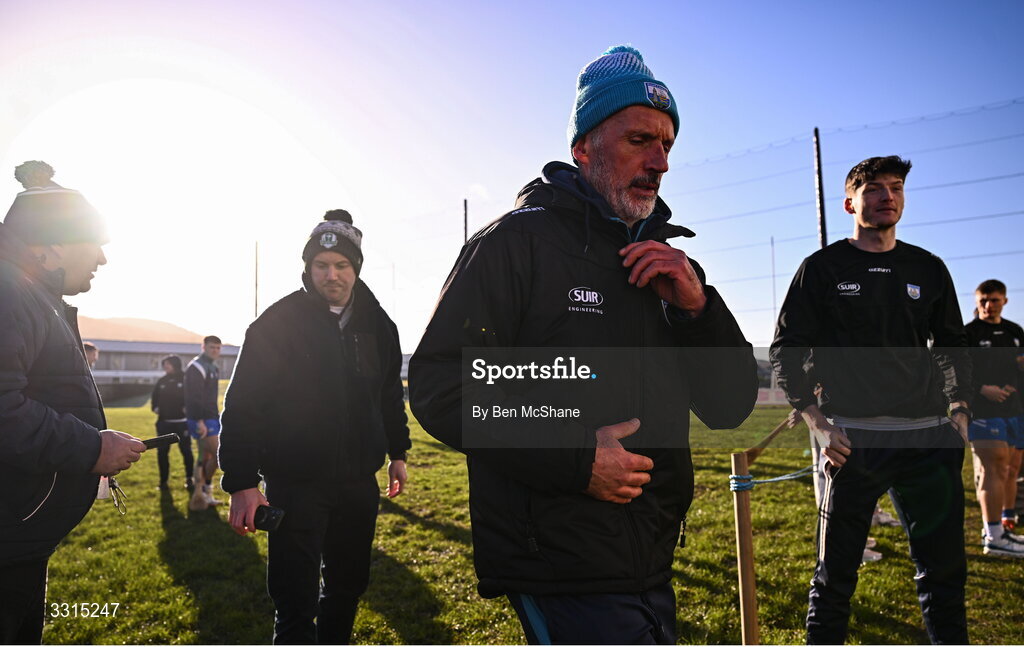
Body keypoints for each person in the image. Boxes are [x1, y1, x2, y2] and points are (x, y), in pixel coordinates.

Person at [409, 46, 757, 645]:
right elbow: (443, 384)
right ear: (583, 147)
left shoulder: (670, 269)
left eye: (669, 145)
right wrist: (574, 457)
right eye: (640, 140)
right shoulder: (516, 245)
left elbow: (730, 408)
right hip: (558, 559)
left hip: (649, 554)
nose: (660, 162)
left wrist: (700, 310)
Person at [770, 155, 973, 643]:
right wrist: (816, 420)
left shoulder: (927, 267)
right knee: (835, 578)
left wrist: (960, 411)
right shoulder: (822, 268)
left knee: (944, 577)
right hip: (852, 443)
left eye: (897, 187)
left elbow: (951, 346)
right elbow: (786, 349)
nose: (887, 197)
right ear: (850, 202)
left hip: (927, 441)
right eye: (874, 188)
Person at [219, 209, 411, 644]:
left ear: (356, 269)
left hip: (357, 484)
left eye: (342, 265)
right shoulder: (276, 323)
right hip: (295, 482)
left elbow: (387, 397)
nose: (332, 275)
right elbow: (243, 405)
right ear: (307, 268)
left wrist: (398, 453)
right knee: (294, 599)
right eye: (321, 265)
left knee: (346, 590)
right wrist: (241, 482)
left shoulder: (380, 326)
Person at [0, 160, 146, 643]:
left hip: (18, 536)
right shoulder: (10, 294)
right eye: (94, 244)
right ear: (51, 247)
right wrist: (91, 447)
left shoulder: (30, 296)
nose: (102, 259)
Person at [965, 279, 1024, 554]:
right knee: (993, 469)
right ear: (977, 303)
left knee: (1009, 470)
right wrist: (981, 389)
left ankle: (1006, 524)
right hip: (983, 412)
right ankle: (993, 535)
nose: (989, 306)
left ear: (1005, 301)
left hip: (1012, 411)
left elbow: (1019, 367)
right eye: (983, 301)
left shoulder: (1015, 331)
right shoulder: (968, 334)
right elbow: (953, 371)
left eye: (994, 300)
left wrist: (1014, 385)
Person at [184, 335, 223, 507]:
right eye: (211, 347)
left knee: (206, 457)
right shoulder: (196, 367)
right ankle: (202, 491)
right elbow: (194, 397)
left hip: (212, 417)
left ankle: (203, 493)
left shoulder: (213, 366)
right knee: (217, 455)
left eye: (217, 348)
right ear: (203, 347)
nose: (215, 351)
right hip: (201, 419)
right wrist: (199, 420)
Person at [151, 355, 196, 490]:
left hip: (182, 423)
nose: (165, 366)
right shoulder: (162, 381)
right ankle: (163, 482)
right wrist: (156, 408)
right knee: (162, 453)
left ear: (175, 365)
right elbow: (155, 398)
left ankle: (189, 479)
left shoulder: (186, 379)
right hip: (164, 423)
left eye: (168, 364)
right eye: (164, 364)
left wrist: (188, 407)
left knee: (186, 451)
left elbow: (193, 396)